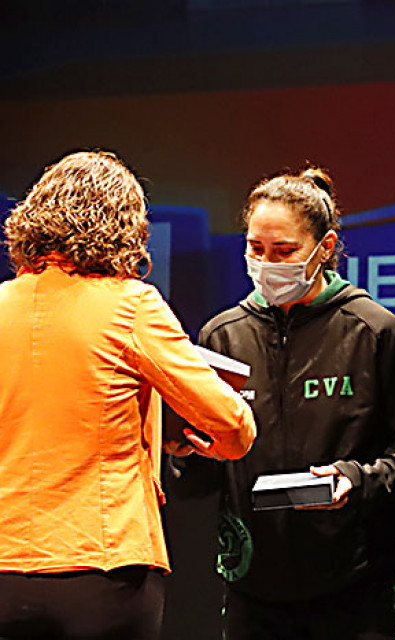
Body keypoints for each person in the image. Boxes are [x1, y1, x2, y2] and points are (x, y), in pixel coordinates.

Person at [169, 166, 395, 640]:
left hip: (358, 589)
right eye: (255, 249)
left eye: (284, 251)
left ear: (325, 247)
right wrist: (187, 453)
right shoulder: (222, 336)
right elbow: (201, 480)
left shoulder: (372, 330)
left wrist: (356, 479)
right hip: (254, 592)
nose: (267, 264)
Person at [0, 151, 257, 640]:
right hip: (102, 565)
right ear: (126, 230)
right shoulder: (130, 305)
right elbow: (229, 422)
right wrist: (218, 439)